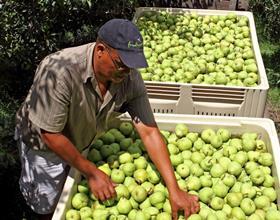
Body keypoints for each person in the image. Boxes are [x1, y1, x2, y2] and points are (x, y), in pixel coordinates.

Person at [15, 18, 200, 220]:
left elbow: (148, 131)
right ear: (101, 50)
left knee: (69, 188)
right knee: (47, 204)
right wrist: (92, 173)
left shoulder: (128, 77)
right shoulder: (59, 72)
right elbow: (50, 134)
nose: (127, 71)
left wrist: (174, 189)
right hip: (45, 148)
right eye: (122, 64)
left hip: (82, 138)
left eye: (131, 65)